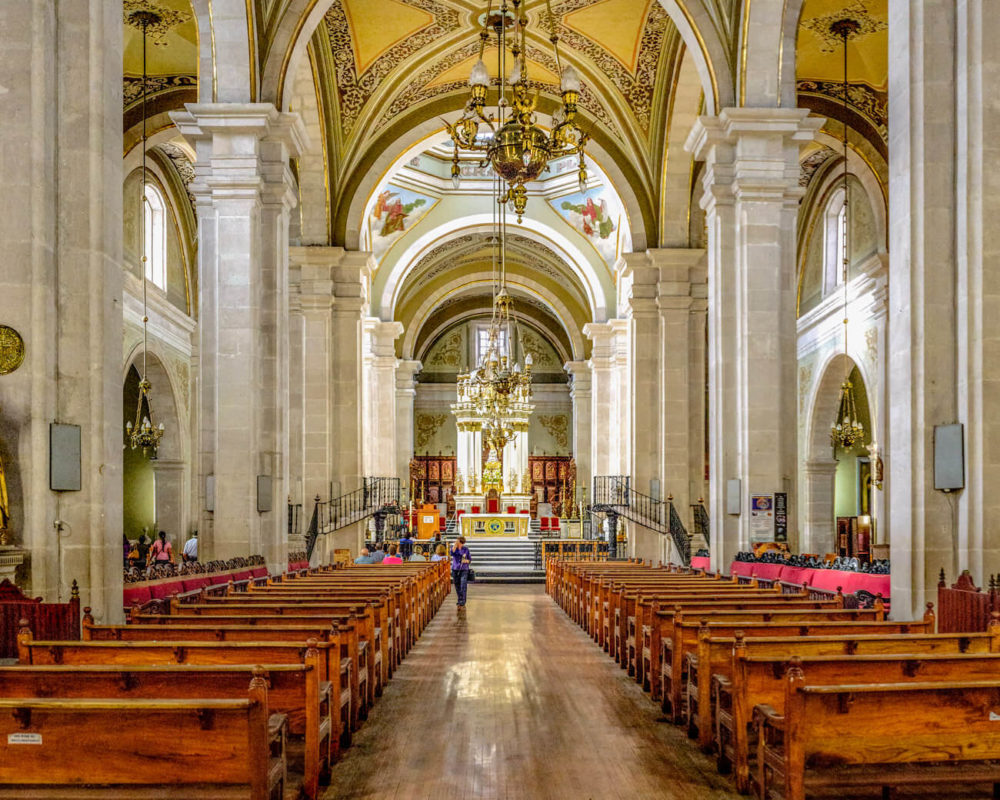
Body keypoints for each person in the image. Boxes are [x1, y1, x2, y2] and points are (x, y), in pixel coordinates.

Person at [451, 535, 472, 608]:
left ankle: (463, 600)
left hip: (464, 569)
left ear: (462, 543)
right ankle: (459, 599)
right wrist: (454, 546)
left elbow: (470, 559)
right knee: (457, 585)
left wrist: (466, 561)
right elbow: (452, 553)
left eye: (458, 542)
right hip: (455, 568)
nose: (457, 543)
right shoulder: (454, 548)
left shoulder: (466, 549)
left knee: (463, 585)